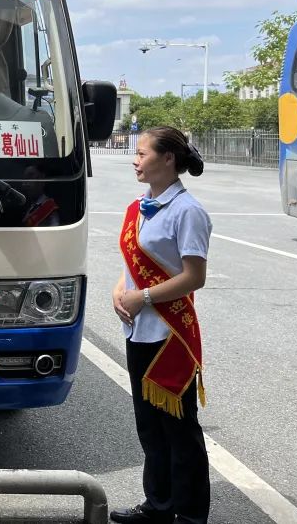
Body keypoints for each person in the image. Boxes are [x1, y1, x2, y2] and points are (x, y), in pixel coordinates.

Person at [110, 126, 212, 524]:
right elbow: (129, 266)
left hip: (170, 335)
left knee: (180, 431)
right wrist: (120, 290)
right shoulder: (138, 206)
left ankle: (188, 515)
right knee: (149, 427)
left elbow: (194, 277)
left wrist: (145, 297)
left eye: (141, 153)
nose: (135, 160)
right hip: (138, 328)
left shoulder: (188, 212)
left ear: (167, 159)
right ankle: (158, 505)